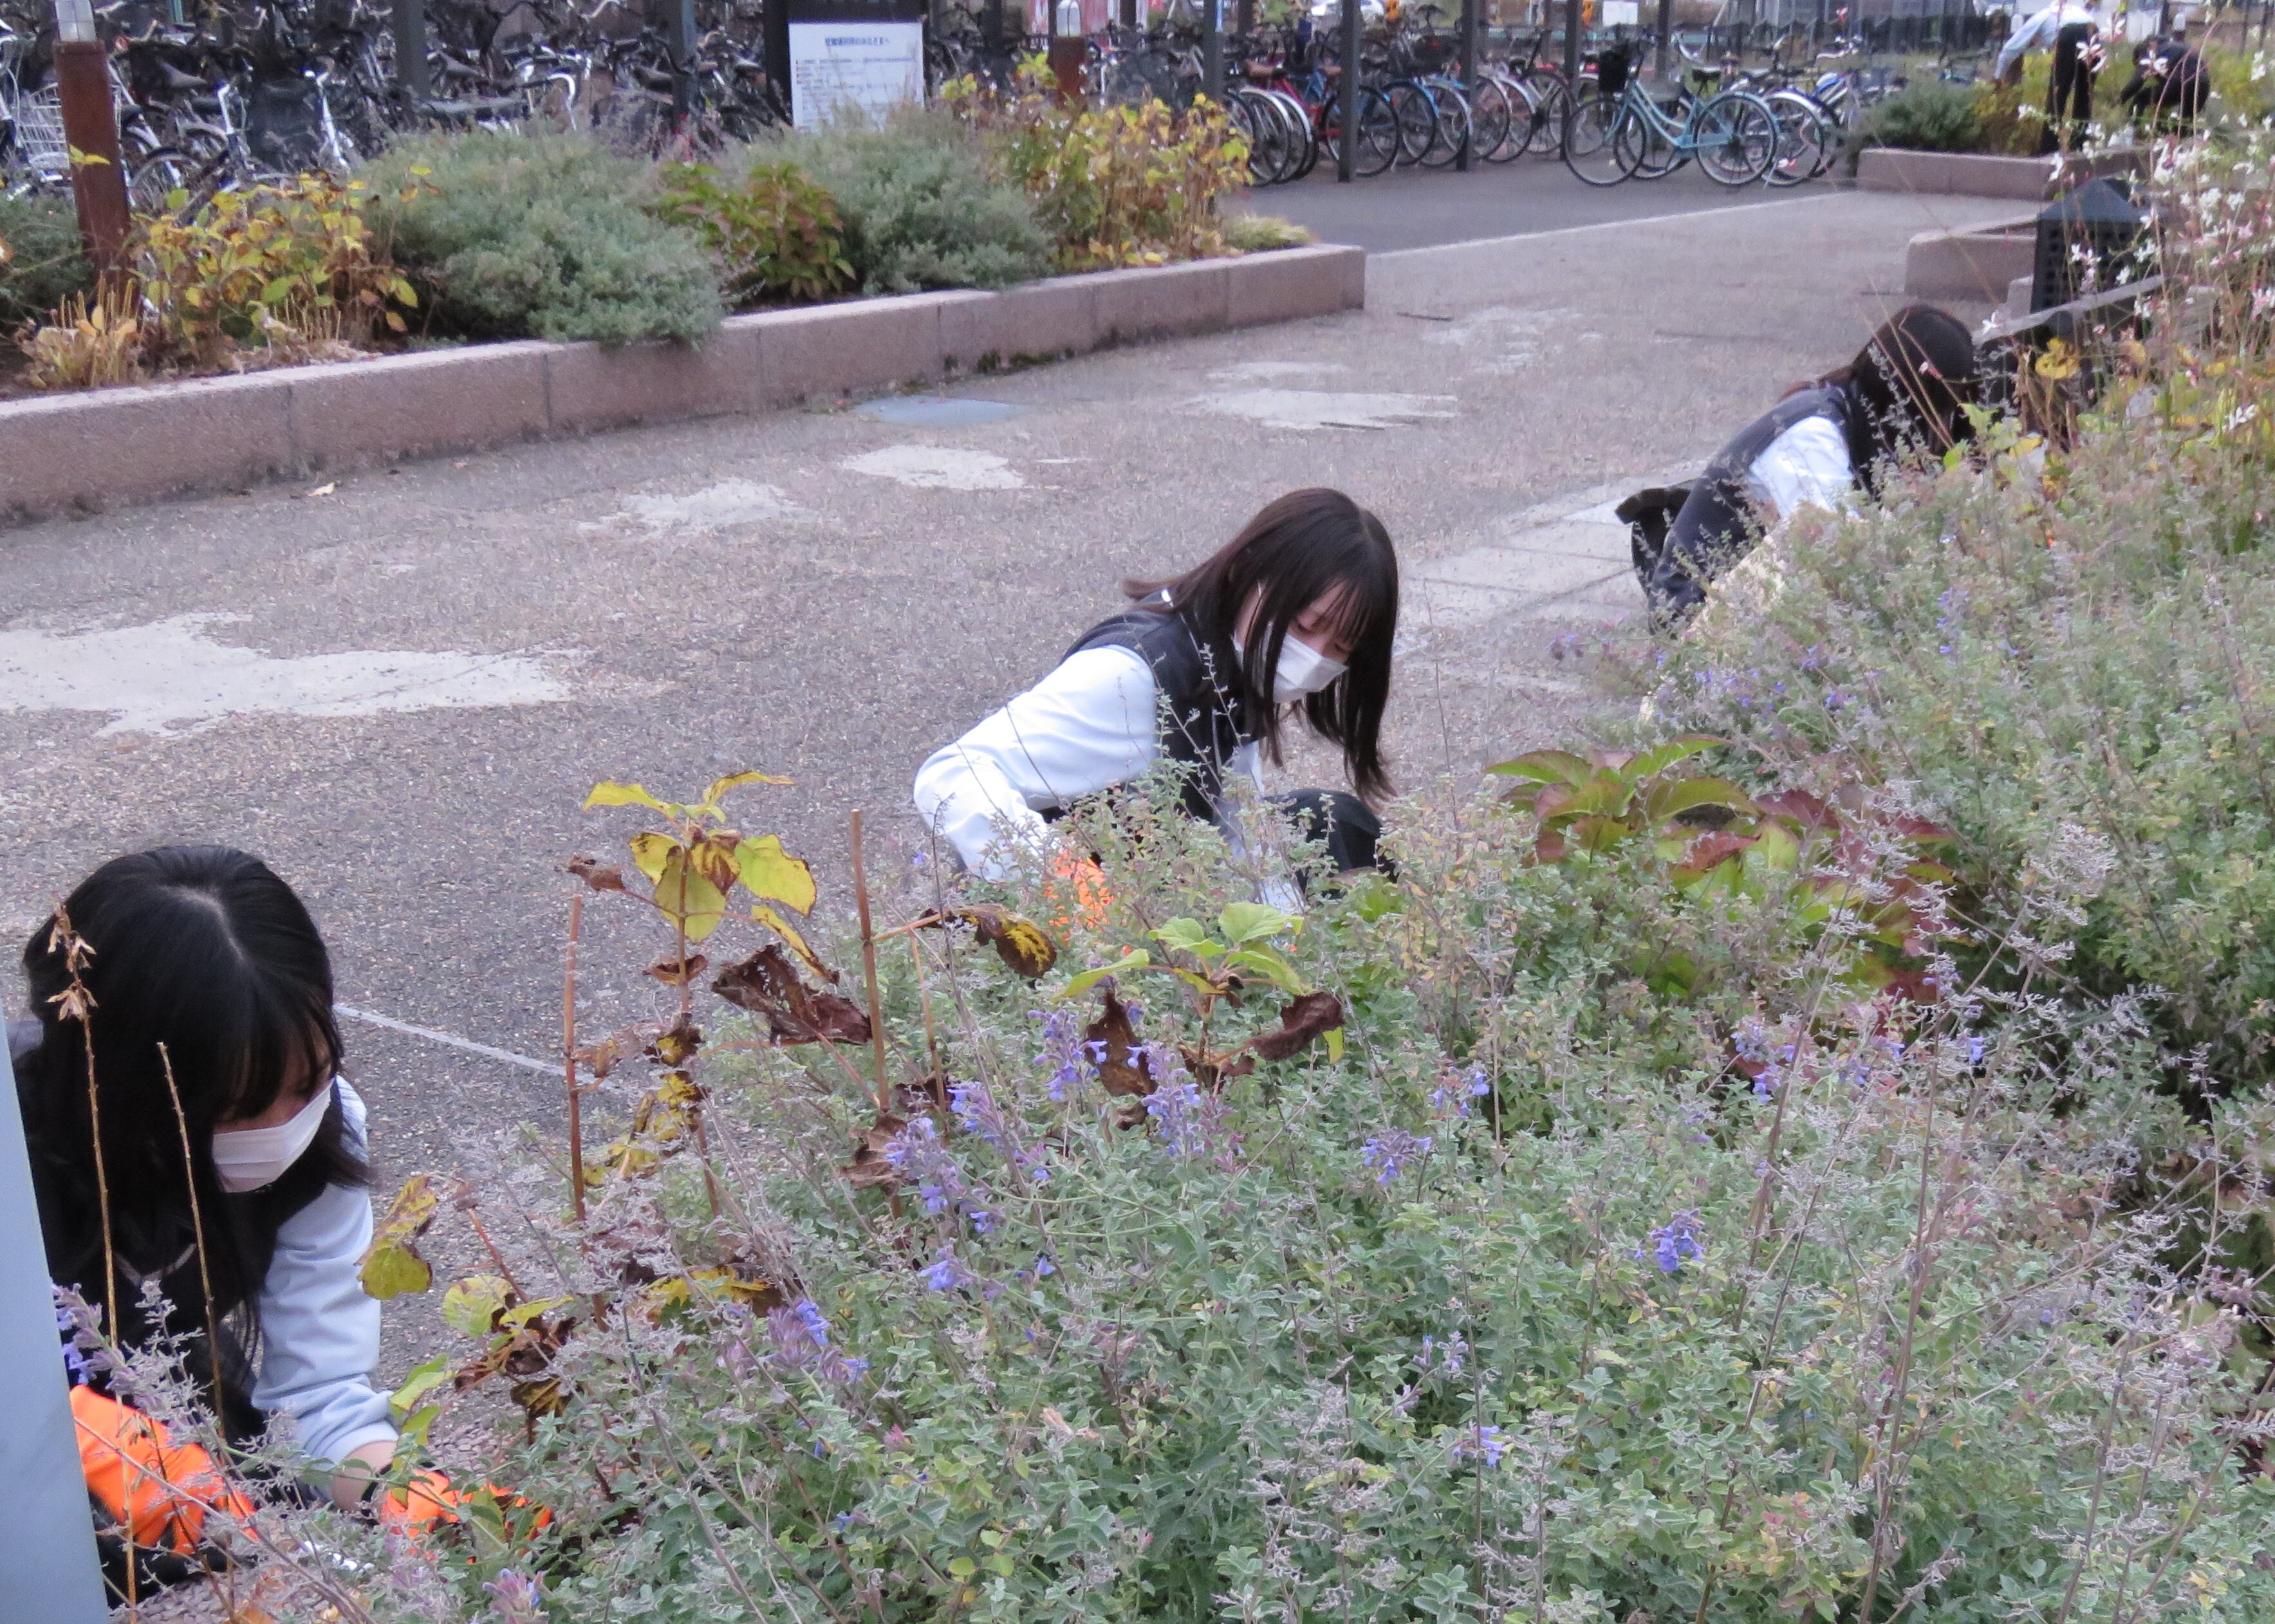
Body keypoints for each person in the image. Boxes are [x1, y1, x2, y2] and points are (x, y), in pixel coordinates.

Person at [11, 846, 443, 1597]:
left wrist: (406, 1495)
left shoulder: (323, 1132)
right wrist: (66, 1428)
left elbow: (318, 1396)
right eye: (238, 1107)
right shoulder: (19, 1150)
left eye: (307, 1080)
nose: (284, 1126)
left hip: (160, 1424)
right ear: (119, 1087)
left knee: (234, 1508)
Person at [913, 488, 1399, 889]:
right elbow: (951, 775)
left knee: (1334, 823)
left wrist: (1282, 942)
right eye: (1305, 624)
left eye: (1340, 646)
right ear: (1251, 571)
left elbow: (1237, 827)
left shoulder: (1233, 663)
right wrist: (1064, 883)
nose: (1316, 655)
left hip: (1157, 883)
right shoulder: (1133, 676)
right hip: (1061, 934)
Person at [1628, 304, 1979, 623]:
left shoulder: (1854, 410)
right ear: (1909, 398)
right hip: (1697, 615)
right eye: (1940, 410)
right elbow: (1841, 555)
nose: (1938, 427)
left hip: (1755, 600)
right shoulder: (1814, 434)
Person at [1996, 0, 2103, 153]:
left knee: (2057, 95)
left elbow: (2009, 50)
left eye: (2033, 42)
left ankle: (2048, 148)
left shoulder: (2043, 17)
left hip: (2069, 34)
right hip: (2093, 34)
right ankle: (2079, 146)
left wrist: (1998, 78)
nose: (2034, 44)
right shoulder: (2077, 11)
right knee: (2085, 96)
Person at [2119, 24, 2208, 131]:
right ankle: (2173, 137)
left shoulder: (2152, 51)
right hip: (2203, 84)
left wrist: (2120, 100)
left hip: (2182, 81)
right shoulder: (2176, 46)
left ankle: (2130, 130)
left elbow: (2136, 83)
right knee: (2182, 124)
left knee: (2141, 98)